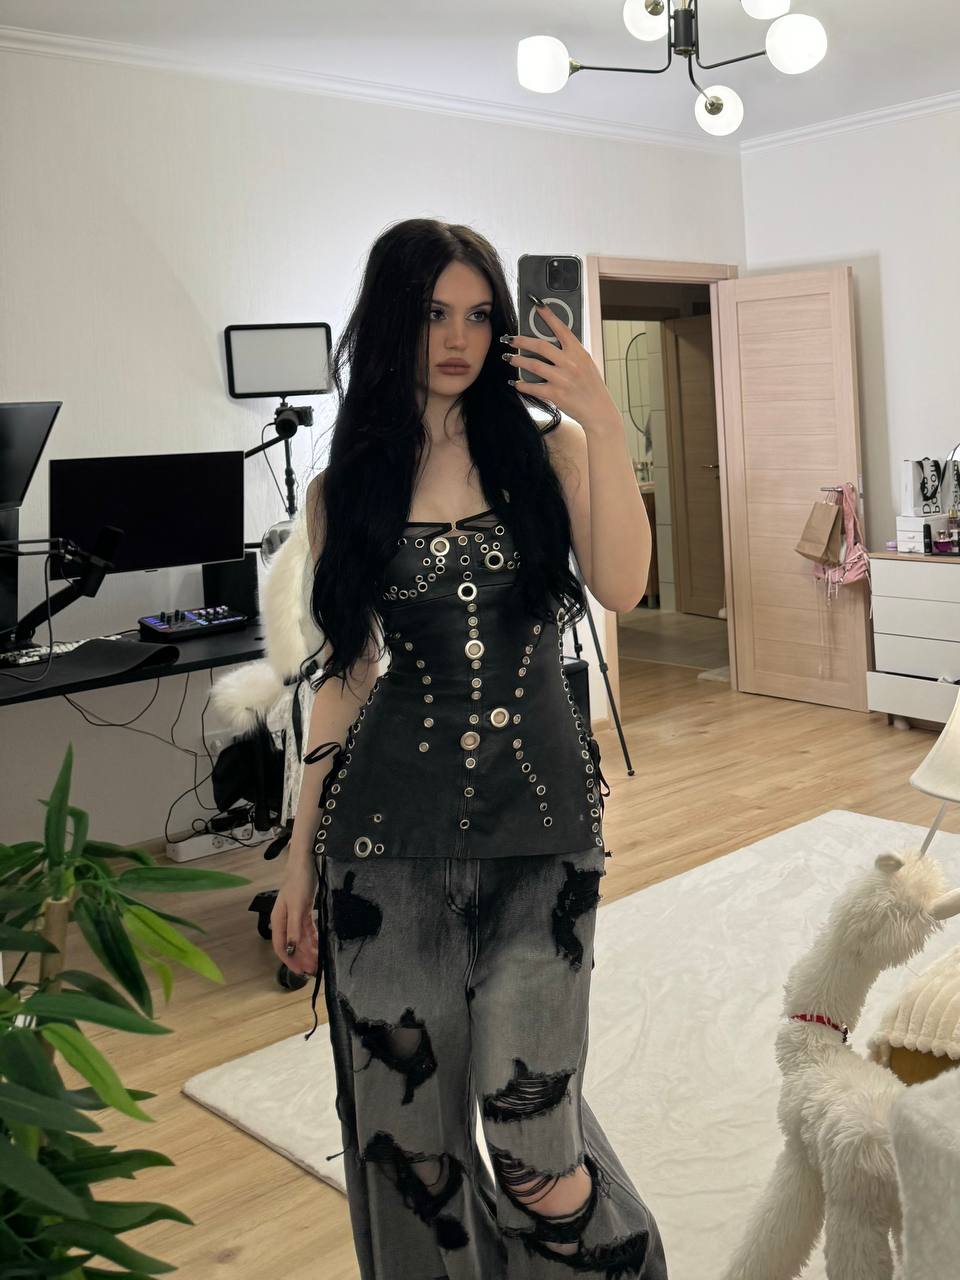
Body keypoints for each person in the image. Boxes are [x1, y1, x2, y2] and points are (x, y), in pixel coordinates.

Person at [271, 218, 667, 1279]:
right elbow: (346, 676)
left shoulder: (549, 453)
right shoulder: (342, 491)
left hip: (543, 840)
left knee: (534, 1133)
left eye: (480, 315)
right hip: (384, 850)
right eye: (435, 314)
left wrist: (601, 416)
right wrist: (299, 858)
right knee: (411, 1150)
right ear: (391, 323)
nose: (459, 338)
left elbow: (624, 584)